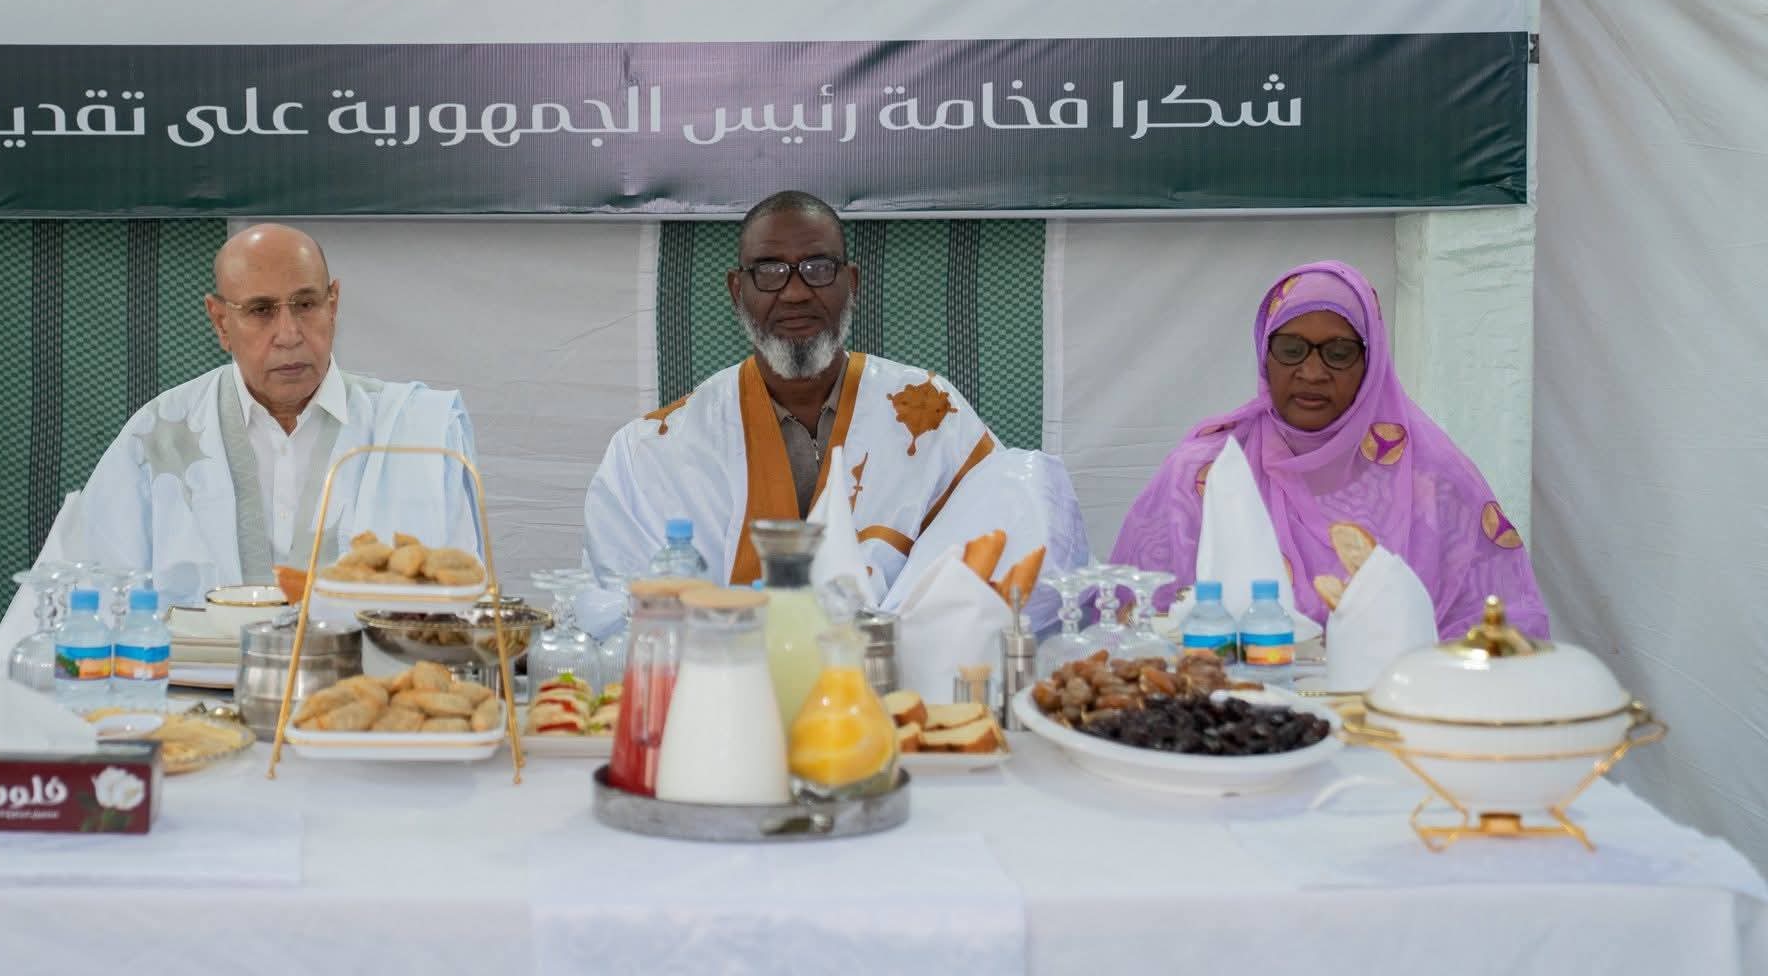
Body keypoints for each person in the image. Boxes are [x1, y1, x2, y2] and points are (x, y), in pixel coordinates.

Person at [585, 191, 1087, 596]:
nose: (796, 292)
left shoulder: (931, 412)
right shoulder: (656, 449)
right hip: (725, 678)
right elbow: (621, 606)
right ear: (737, 291)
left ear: (852, 282)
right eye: (770, 271)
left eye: (818, 268)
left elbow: (1001, 540)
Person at [30, 223, 479, 603]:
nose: (288, 334)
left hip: (374, 679)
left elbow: (461, 606)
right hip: (194, 682)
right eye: (260, 310)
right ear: (220, 322)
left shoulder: (415, 428)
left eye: (305, 304)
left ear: (333, 304)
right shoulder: (160, 434)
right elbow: (87, 600)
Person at [1110, 260, 1547, 638]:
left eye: (1338, 353)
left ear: (1371, 362)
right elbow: (1132, 621)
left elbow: (1503, 627)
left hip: (1399, 704)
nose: (1313, 372)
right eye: (1291, 349)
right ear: (1264, 355)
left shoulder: (1432, 480)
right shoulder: (1203, 472)